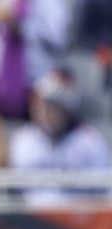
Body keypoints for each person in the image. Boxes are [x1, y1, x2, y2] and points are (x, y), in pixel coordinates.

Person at [8, 67, 111, 205]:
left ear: (65, 109)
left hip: (78, 218)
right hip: (30, 219)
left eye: (51, 107)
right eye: (40, 106)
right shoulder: (23, 140)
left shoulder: (91, 142)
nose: (43, 113)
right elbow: (13, 191)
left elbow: (105, 191)